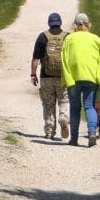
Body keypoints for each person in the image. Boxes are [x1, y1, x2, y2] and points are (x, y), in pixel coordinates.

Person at [61, 12, 100, 147]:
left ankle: (74, 139)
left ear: (75, 25)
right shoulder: (96, 39)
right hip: (91, 78)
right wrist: (99, 76)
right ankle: (92, 134)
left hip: (74, 78)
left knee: (75, 108)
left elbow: (64, 59)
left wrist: (67, 78)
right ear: (89, 25)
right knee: (89, 107)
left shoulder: (69, 39)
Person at [30, 12, 70, 140]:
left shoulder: (42, 37)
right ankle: (63, 116)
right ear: (60, 23)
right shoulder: (67, 37)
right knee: (64, 100)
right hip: (63, 76)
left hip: (45, 75)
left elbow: (36, 58)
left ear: (49, 23)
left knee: (48, 103)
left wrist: (33, 74)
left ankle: (49, 130)